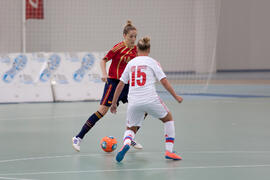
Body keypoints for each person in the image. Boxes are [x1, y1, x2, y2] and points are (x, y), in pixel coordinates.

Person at [72, 20, 143, 151]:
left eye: (135, 37)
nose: (133, 39)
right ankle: (78, 137)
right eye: (130, 36)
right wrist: (104, 74)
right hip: (114, 82)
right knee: (102, 111)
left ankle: (130, 137)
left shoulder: (137, 50)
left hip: (128, 84)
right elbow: (103, 60)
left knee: (143, 110)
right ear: (124, 36)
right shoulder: (118, 47)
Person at [110, 37, 183, 162]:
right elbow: (164, 82)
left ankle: (127, 143)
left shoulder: (131, 63)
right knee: (168, 119)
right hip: (150, 99)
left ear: (137, 49)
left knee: (130, 128)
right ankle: (169, 151)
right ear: (149, 49)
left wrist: (114, 103)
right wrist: (176, 96)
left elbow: (120, 84)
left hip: (133, 101)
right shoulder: (152, 62)